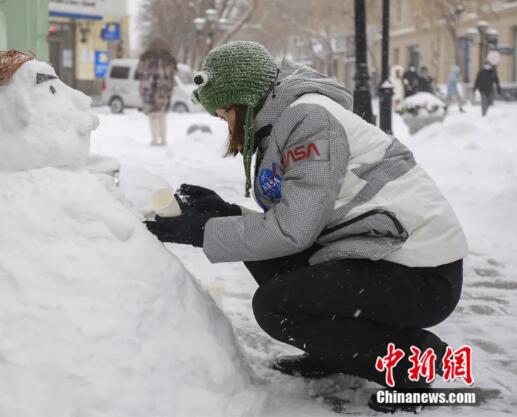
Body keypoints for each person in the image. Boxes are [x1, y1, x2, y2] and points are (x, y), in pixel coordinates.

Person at [145, 41, 468, 412]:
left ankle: (411, 363)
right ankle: (335, 352)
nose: (223, 120)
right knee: (265, 259)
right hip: (378, 254)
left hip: (419, 276)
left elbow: (292, 231)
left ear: (245, 100)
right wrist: (223, 211)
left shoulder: (309, 120)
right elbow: (298, 220)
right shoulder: (285, 119)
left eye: (224, 111)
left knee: (273, 307)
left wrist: (204, 231)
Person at [137, 39, 177, 145]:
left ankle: (155, 140)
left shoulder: (147, 58)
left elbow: (140, 71)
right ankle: (163, 140)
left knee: (153, 116)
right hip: (165, 92)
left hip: (150, 91)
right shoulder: (169, 59)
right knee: (162, 116)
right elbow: (174, 73)